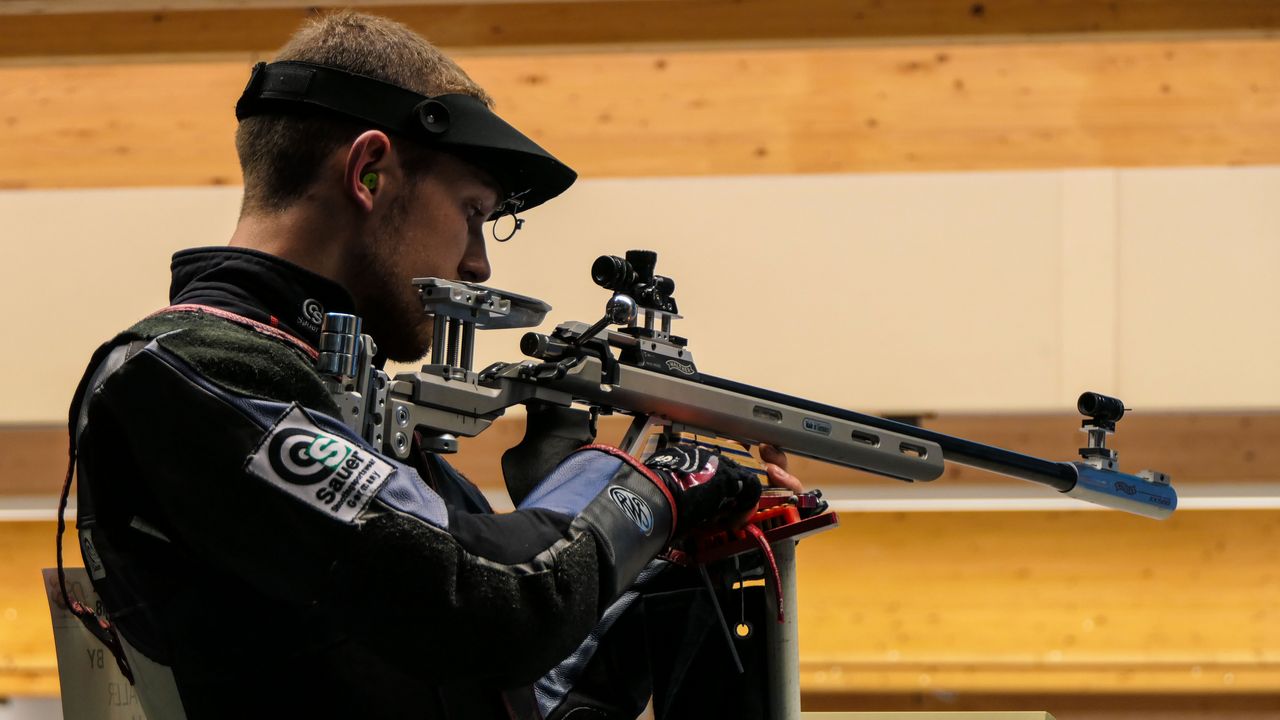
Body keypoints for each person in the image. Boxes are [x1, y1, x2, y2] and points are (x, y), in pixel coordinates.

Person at [62, 11, 801, 719]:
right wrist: (646, 487)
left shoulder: (337, 395)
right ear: (370, 172)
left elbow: (543, 695)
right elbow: (495, 602)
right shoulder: (187, 371)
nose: (477, 265)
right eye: (474, 213)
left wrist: (677, 555)